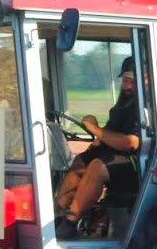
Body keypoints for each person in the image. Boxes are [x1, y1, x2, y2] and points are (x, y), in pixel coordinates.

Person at [54, 56, 142, 234]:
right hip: (116, 154)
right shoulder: (123, 105)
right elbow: (110, 134)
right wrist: (97, 135)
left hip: (137, 161)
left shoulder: (143, 107)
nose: (127, 86)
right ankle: (58, 215)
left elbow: (130, 143)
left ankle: (70, 224)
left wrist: (94, 129)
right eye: (125, 81)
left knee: (97, 167)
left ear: (145, 80)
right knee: (81, 162)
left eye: (132, 81)